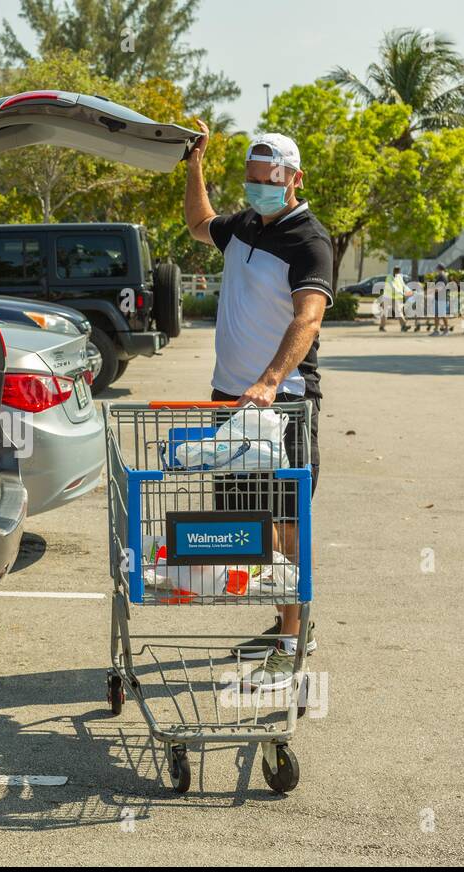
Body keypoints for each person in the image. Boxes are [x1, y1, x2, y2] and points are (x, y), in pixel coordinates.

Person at [183, 126, 327, 692]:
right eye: (252, 179)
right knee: (250, 524)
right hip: (231, 401)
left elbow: (307, 319)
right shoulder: (244, 224)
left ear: (294, 180)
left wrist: (270, 379)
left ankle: (290, 646)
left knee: (288, 524)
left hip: (282, 404)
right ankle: (288, 622)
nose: (260, 188)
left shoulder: (309, 240)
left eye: (271, 180)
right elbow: (199, 224)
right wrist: (196, 165)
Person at [382, 267, 409, 331]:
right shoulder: (390, 277)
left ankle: (404, 326)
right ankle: (382, 326)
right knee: (385, 312)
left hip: (394, 297)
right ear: (395, 271)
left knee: (398, 311)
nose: (398, 273)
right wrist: (401, 292)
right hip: (387, 297)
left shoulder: (399, 277)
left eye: (399, 272)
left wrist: (409, 291)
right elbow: (393, 286)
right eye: (397, 271)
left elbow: (403, 285)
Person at [431, 263, 451, 335]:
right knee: (436, 315)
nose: (436, 269)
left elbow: (440, 287)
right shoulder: (439, 276)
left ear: (439, 268)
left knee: (442, 314)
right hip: (437, 298)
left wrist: (432, 290)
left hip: (442, 299)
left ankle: (446, 330)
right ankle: (436, 331)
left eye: (437, 268)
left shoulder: (443, 277)